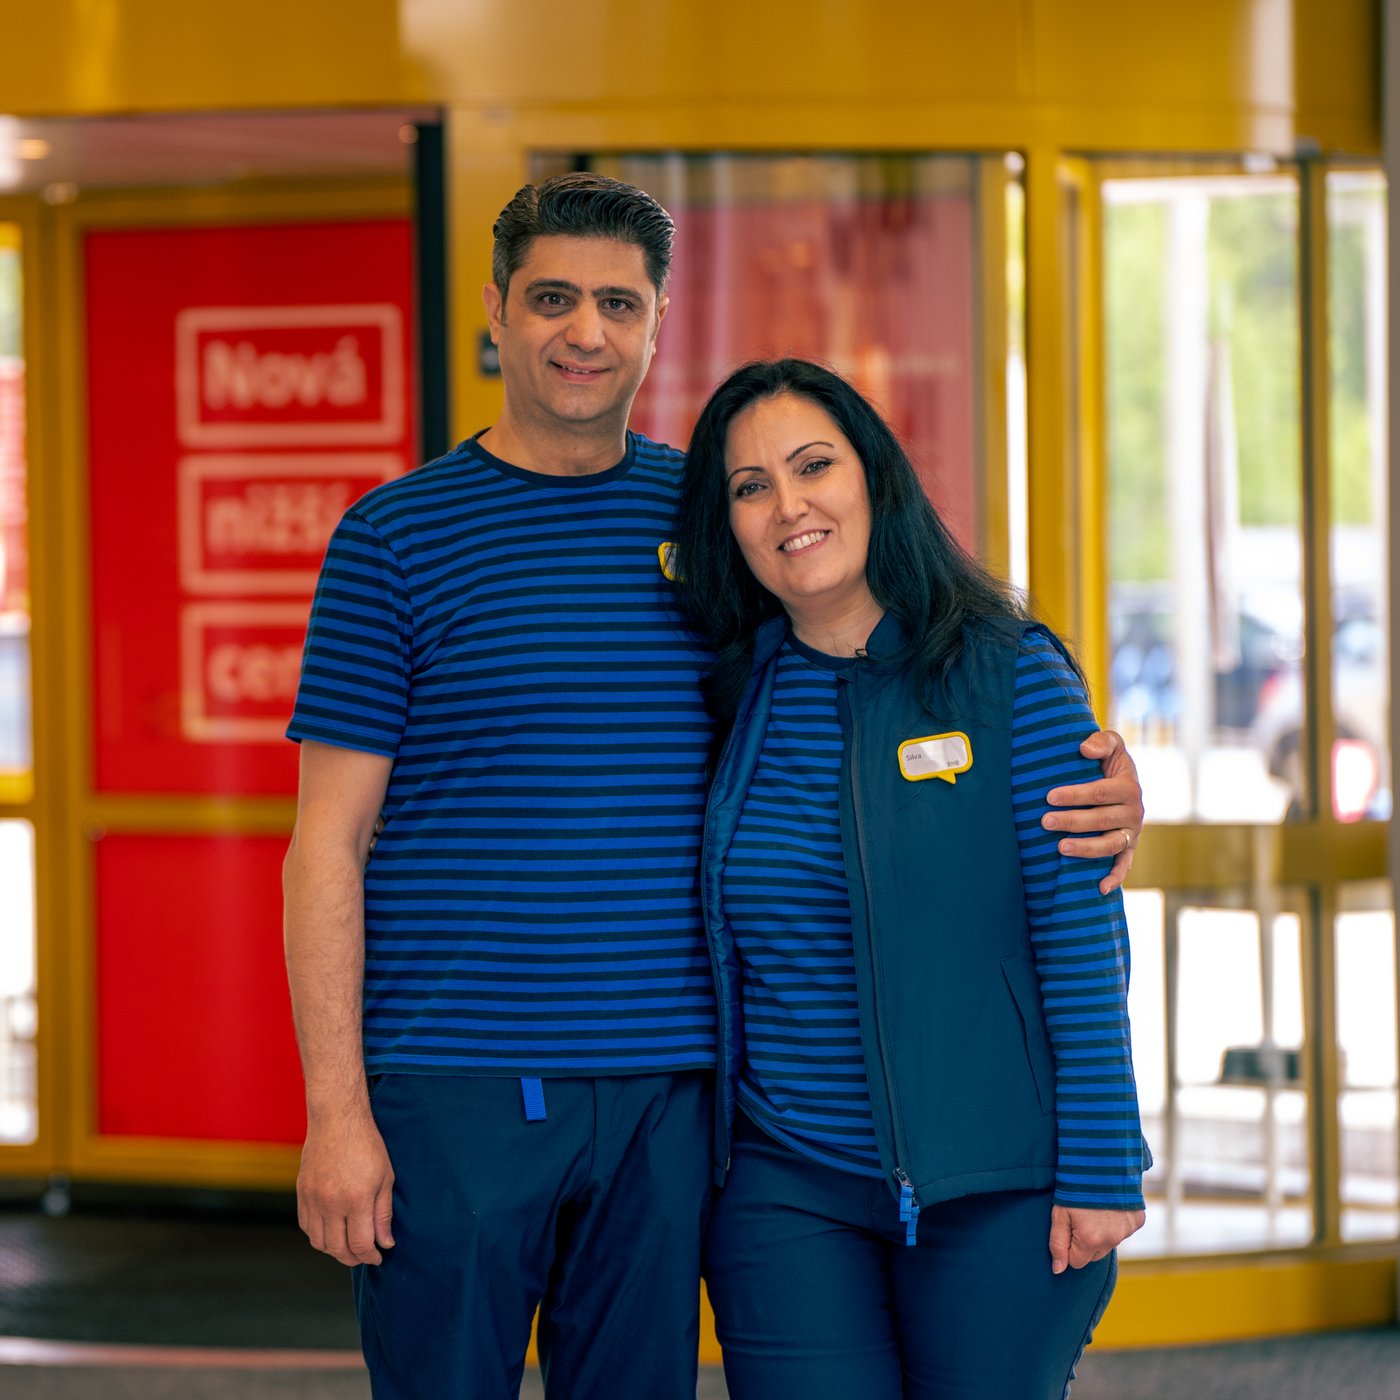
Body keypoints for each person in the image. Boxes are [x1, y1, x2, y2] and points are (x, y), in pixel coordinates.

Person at [282, 175, 1146, 1400]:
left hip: (673, 1098)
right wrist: (336, 1110)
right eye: (552, 298)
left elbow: (876, 704)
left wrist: (1094, 778)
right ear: (495, 310)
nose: (585, 331)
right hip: (457, 1085)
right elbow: (327, 840)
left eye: (616, 304)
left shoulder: (708, 528)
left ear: (656, 321)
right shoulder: (393, 539)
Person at [673, 358, 1148, 1400]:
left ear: (874, 478)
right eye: (749, 486)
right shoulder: (725, 690)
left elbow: (1078, 934)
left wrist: (1103, 1161)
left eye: (812, 466)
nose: (786, 504)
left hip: (998, 1180)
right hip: (784, 1180)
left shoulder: (1006, 671)